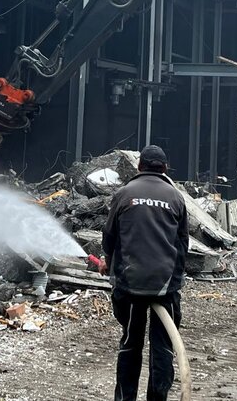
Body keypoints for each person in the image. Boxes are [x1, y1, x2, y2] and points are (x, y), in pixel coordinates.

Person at [101, 145, 189, 401]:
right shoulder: (176, 197)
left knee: (131, 343)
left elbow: (109, 237)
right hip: (164, 285)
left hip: (130, 284)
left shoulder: (124, 194)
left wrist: (109, 264)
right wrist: (174, 281)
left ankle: (125, 398)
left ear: (139, 166)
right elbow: (182, 244)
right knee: (163, 347)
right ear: (165, 168)